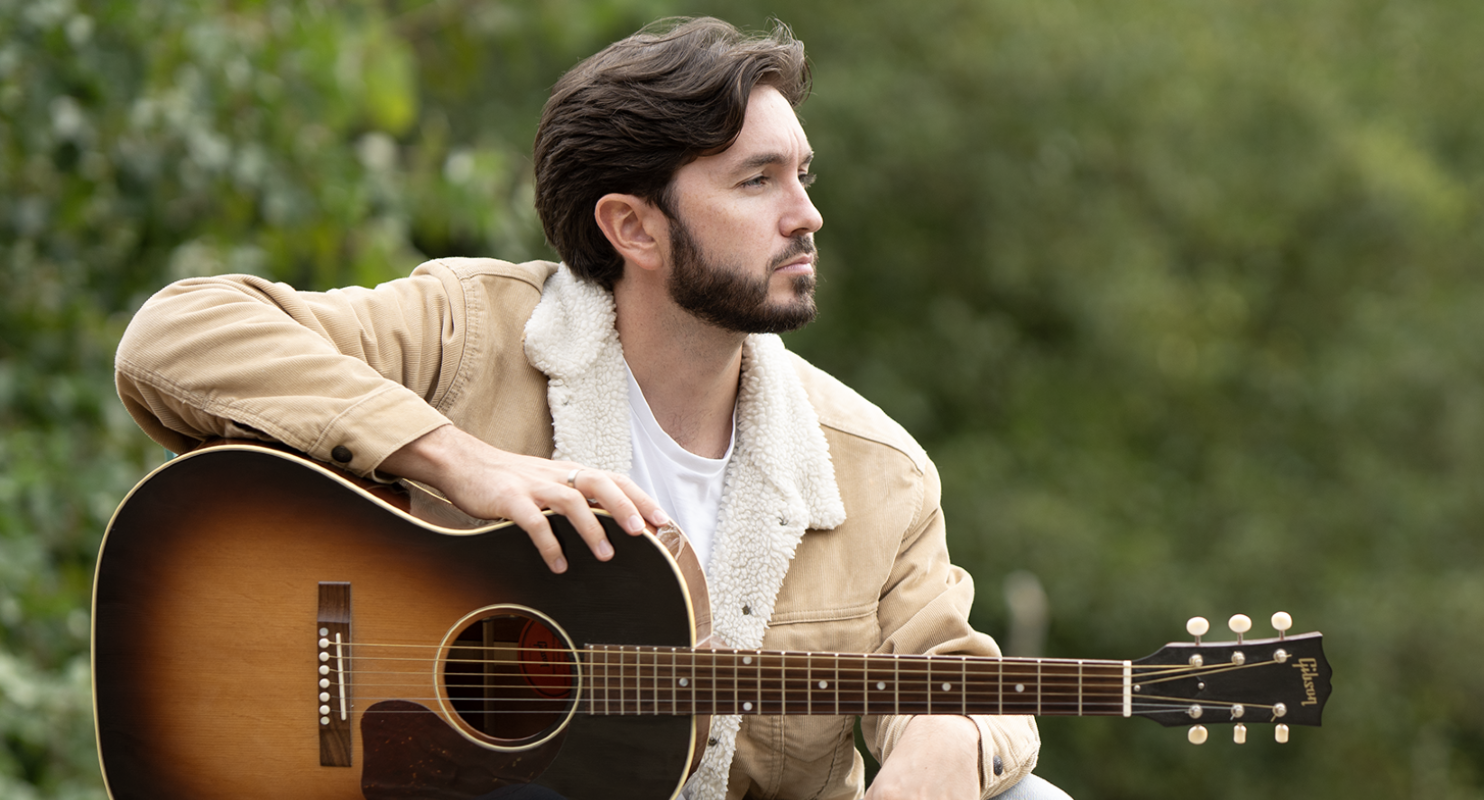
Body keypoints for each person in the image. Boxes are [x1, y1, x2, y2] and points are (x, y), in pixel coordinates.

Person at [113, 16, 1066, 800]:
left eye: (802, 175)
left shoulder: (877, 471)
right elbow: (179, 335)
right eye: (757, 180)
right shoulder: (469, 332)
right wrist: (457, 459)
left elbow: (956, 676)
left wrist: (954, 739)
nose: (805, 213)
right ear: (633, 226)